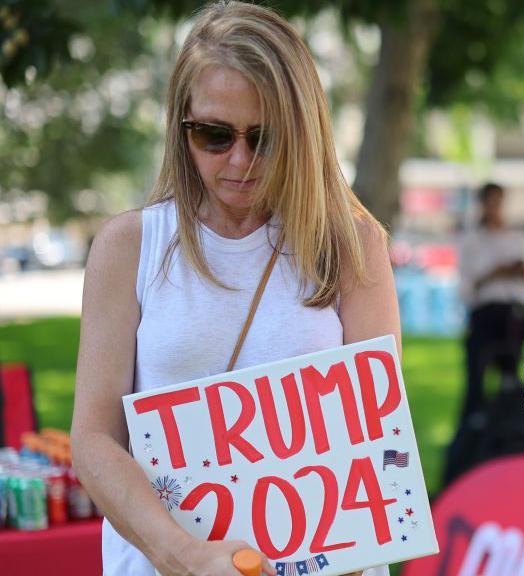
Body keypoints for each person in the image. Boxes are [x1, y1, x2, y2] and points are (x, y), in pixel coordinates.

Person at [70, 3, 398, 575]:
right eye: (214, 135)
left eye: (265, 138)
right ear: (181, 127)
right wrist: (185, 557)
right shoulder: (129, 247)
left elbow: (379, 437)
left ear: (303, 130)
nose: (240, 161)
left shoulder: (351, 246)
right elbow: (95, 441)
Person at [444, 183, 524, 482]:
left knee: (513, 382)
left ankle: (511, 435)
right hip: (485, 317)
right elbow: (468, 287)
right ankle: (471, 441)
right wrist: (496, 273)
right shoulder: (471, 240)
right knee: (476, 387)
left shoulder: (516, 237)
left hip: (513, 318)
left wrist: (513, 271)